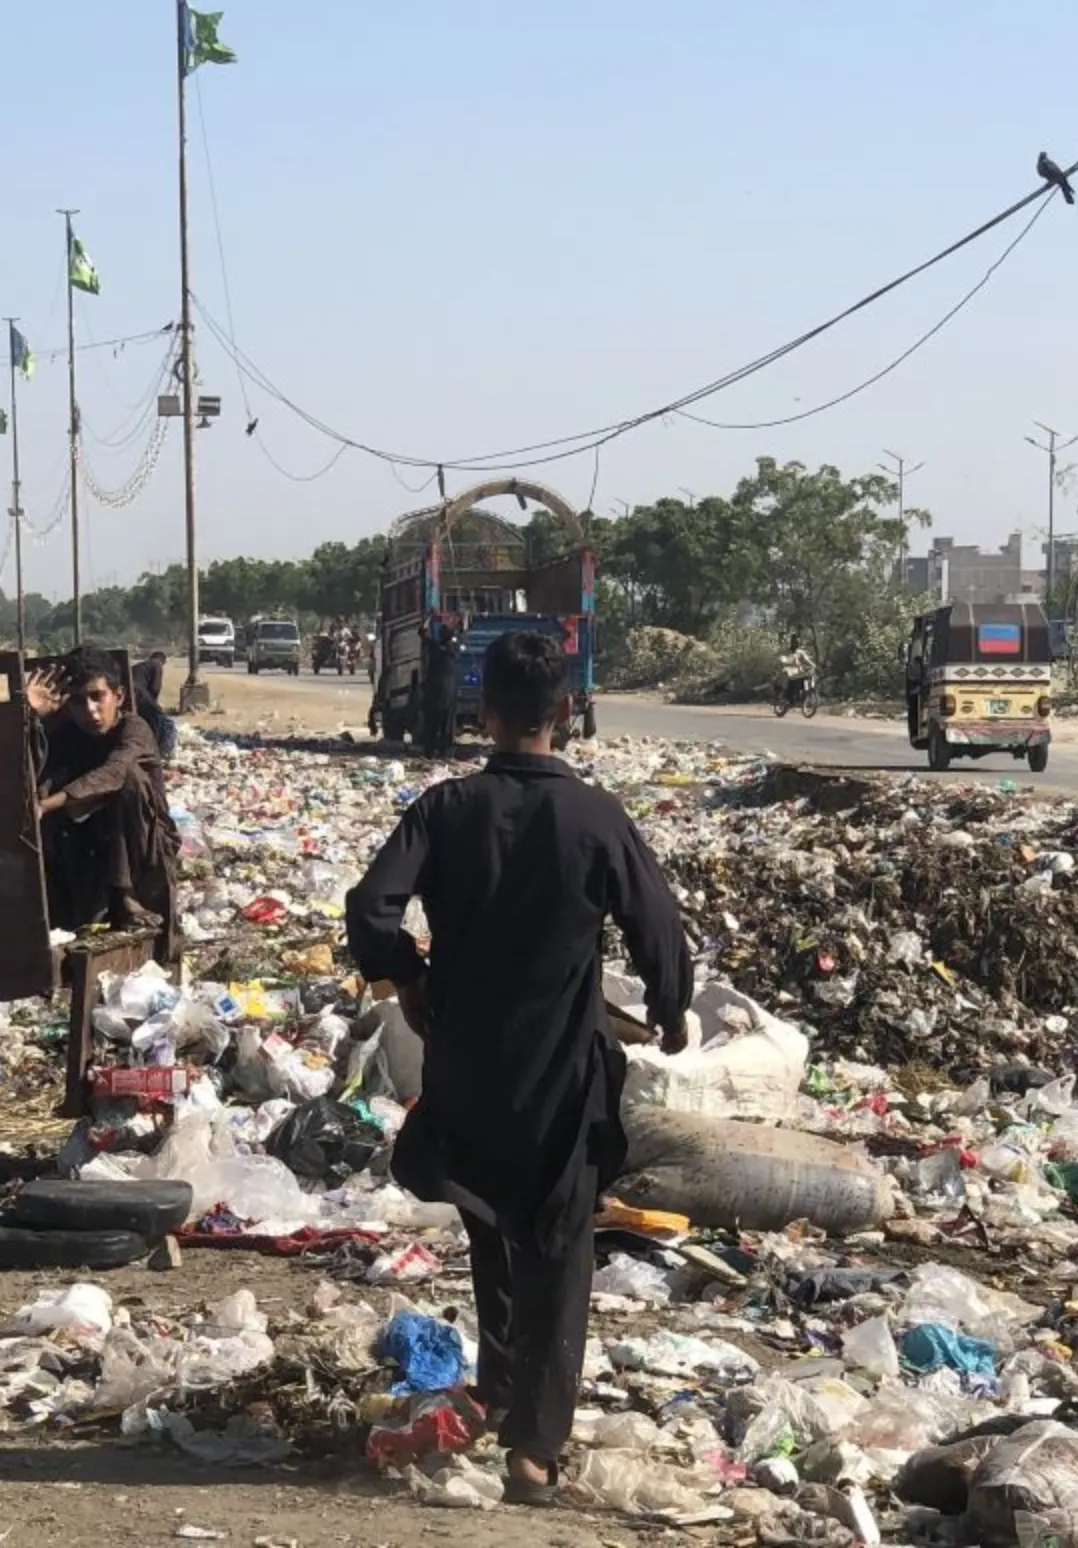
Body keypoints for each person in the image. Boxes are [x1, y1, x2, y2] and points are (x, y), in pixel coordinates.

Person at [346, 629, 692, 1508]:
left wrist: (410, 978)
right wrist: (668, 1006)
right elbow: (659, 929)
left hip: (466, 1068)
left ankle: (500, 1390)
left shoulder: (446, 810)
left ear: (486, 712)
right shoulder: (597, 818)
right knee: (560, 1253)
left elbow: (370, 905)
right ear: (566, 713)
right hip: (562, 1075)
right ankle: (533, 1450)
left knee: (491, 1230)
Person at [27, 646, 182, 967]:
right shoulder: (67, 735)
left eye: (98, 697)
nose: (91, 711)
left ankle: (126, 896)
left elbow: (114, 773)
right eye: (79, 700)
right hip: (87, 844)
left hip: (144, 845)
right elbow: (32, 772)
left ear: (119, 696)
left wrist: (47, 804)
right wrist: (32, 718)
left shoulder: (135, 730)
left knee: (129, 782)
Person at [421, 616, 460, 757]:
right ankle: (445, 751)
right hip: (449, 692)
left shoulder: (435, 648)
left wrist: (429, 618)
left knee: (431, 722)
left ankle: (430, 750)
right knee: (447, 723)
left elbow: (423, 633)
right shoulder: (452, 650)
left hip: (433, 691)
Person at [131, 649, 177, 761]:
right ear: (162, 661)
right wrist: (156, 706)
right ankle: (160, 751)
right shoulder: (156, 665)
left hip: (130, 695)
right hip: (140, 694)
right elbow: (155, 689)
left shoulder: (139, 666)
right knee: (162, 721)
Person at [779, 636, 816, 707]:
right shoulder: (787, 651)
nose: (796, 644)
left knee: (803, 679)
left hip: (797, 672)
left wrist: (813, 665)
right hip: (789, 671)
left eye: (797, 643)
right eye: (794, 642)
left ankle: (802, 697)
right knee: (789, 682)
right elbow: (782, 659)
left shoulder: (800, 652)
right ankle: (786, 699)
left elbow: (806, 660)